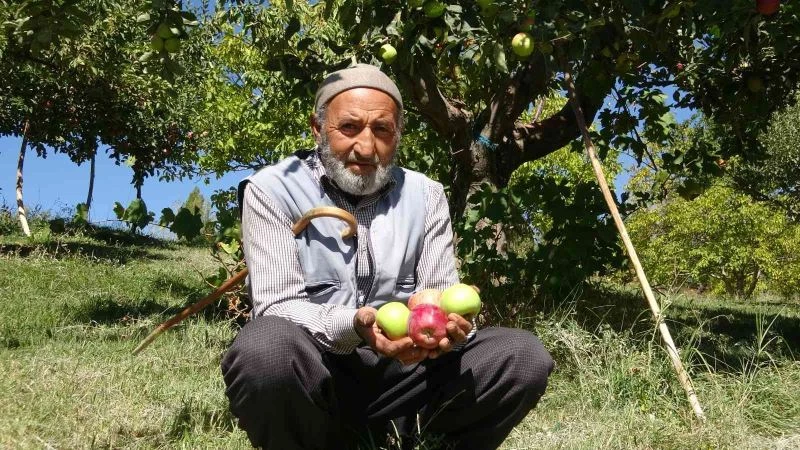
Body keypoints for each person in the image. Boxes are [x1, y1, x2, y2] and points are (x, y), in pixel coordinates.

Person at [221, 63, 554, 450]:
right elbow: (277, 306)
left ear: (397, 135)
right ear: (317, 128)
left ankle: (423, 439)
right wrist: (355, 325)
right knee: (265, 349)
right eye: (349, 127)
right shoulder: (272, 190)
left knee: (522, 357)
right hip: (320, 371)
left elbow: (439, 291)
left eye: (382, 130)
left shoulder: (425, 195)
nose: (366, 147)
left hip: (406, 371)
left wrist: (452, 329)